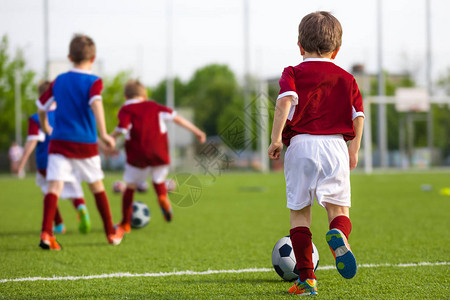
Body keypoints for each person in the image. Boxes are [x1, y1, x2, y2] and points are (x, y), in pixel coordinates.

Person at [268, 11, 364, 296]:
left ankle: (307, 279)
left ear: (300, 46)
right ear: (337, 50)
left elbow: (285, 103)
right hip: (336, 146)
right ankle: (340, 238)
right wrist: (354, 149)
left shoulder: (293, 72)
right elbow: (358, 116)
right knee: (338, 209)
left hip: (301, 145)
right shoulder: (347, 78)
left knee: (299, 214)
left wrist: (275, 139)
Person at [36, 34, 124, 250]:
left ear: (69, 57)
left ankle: (47, 234)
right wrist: (104, 134)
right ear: (93, 58)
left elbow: (41, 105)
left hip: (59, 142)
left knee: (54, 186)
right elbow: (96, 104)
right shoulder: (94, 81)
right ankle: (111, 233)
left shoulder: (59, 80)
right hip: (85, 143)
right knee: (96, 186)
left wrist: (45, 125)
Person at [111, 79, 206, 233]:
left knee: (130, 187)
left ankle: (125, 223)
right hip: (159, 153)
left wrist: (110, 138)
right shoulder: (155, 106)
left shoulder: (126, 109)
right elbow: (178, 119)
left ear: (125, 96)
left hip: (137, 154)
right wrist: (197, 131)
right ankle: (162, 198)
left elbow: (122, 129)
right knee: (158, 180)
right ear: (145, 95)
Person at [17, 81, 91, 235]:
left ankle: (59, 224)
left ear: (40, 96)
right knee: (74, 188)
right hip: (67, 158)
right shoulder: (65, 114)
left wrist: (21, 162)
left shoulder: (36, 118)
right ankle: (80, 207)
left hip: (45, 161)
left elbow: (32, 142)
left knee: (49, 191)